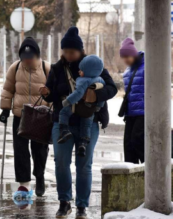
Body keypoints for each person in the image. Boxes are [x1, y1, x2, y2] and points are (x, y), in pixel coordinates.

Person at [40, 27, 117, 219]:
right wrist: (47, 93)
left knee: (84, 165)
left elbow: (112, 88)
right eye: (65, 51)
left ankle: (82, 206)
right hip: (62, 122)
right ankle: (64, 202)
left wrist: (95, 94)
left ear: (81, 50)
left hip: (88, 122)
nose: (68, 55)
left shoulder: (93, 65)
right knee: (61, 163)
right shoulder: (57, 69)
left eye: (71, 52)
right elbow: (51, 95)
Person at [0, 37, 51, 198]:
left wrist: (53, 109)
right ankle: (24, 184)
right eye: (24, 58)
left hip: (41, 116)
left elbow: (55, 92)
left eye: (30, 58)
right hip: (20, 116)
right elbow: (8, 90)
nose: (27, 61)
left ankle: (40, 176)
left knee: (39, 150)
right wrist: (5, 110)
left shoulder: (47, 68)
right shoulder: (15, 68)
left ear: (37, 56)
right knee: (20, 151)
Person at [58, 55, 105, 157]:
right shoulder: (100, 80)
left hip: (77, 107)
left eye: (81, 70)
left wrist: (67, 101)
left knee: (63, 113)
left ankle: (64, 130)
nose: (79, 71)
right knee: (86, 124)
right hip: (91, 109)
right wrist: (98, 107)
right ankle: (83, 144)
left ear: (88, 71)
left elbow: (78, 94)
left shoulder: (82, 80)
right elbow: (103, 97)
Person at [119, 38, 145, 164]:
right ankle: (132, 174)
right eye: (123, 57)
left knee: (137, 139)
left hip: (143, 111)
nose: (125, 59)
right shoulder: (127, 71)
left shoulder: (146, 67)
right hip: (130, 113)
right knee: (128, 145)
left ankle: (148, 167)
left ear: (134, 53)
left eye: (127, 56)